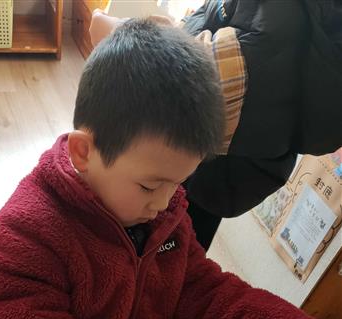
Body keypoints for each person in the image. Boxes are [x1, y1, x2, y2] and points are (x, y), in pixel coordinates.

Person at [0, 20, 321, 319]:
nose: (165, 202)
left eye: (178, 184)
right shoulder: (28, 230)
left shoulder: (163, 213)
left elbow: (198, 285)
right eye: (149, 185)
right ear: (84, 152)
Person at [90, 1, 342, 249]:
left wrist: (120, 34)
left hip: (188, 163)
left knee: (132, 246)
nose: (161, 202)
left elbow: (193, 84)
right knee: (172, 249)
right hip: (218, 178)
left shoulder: (286, 18)